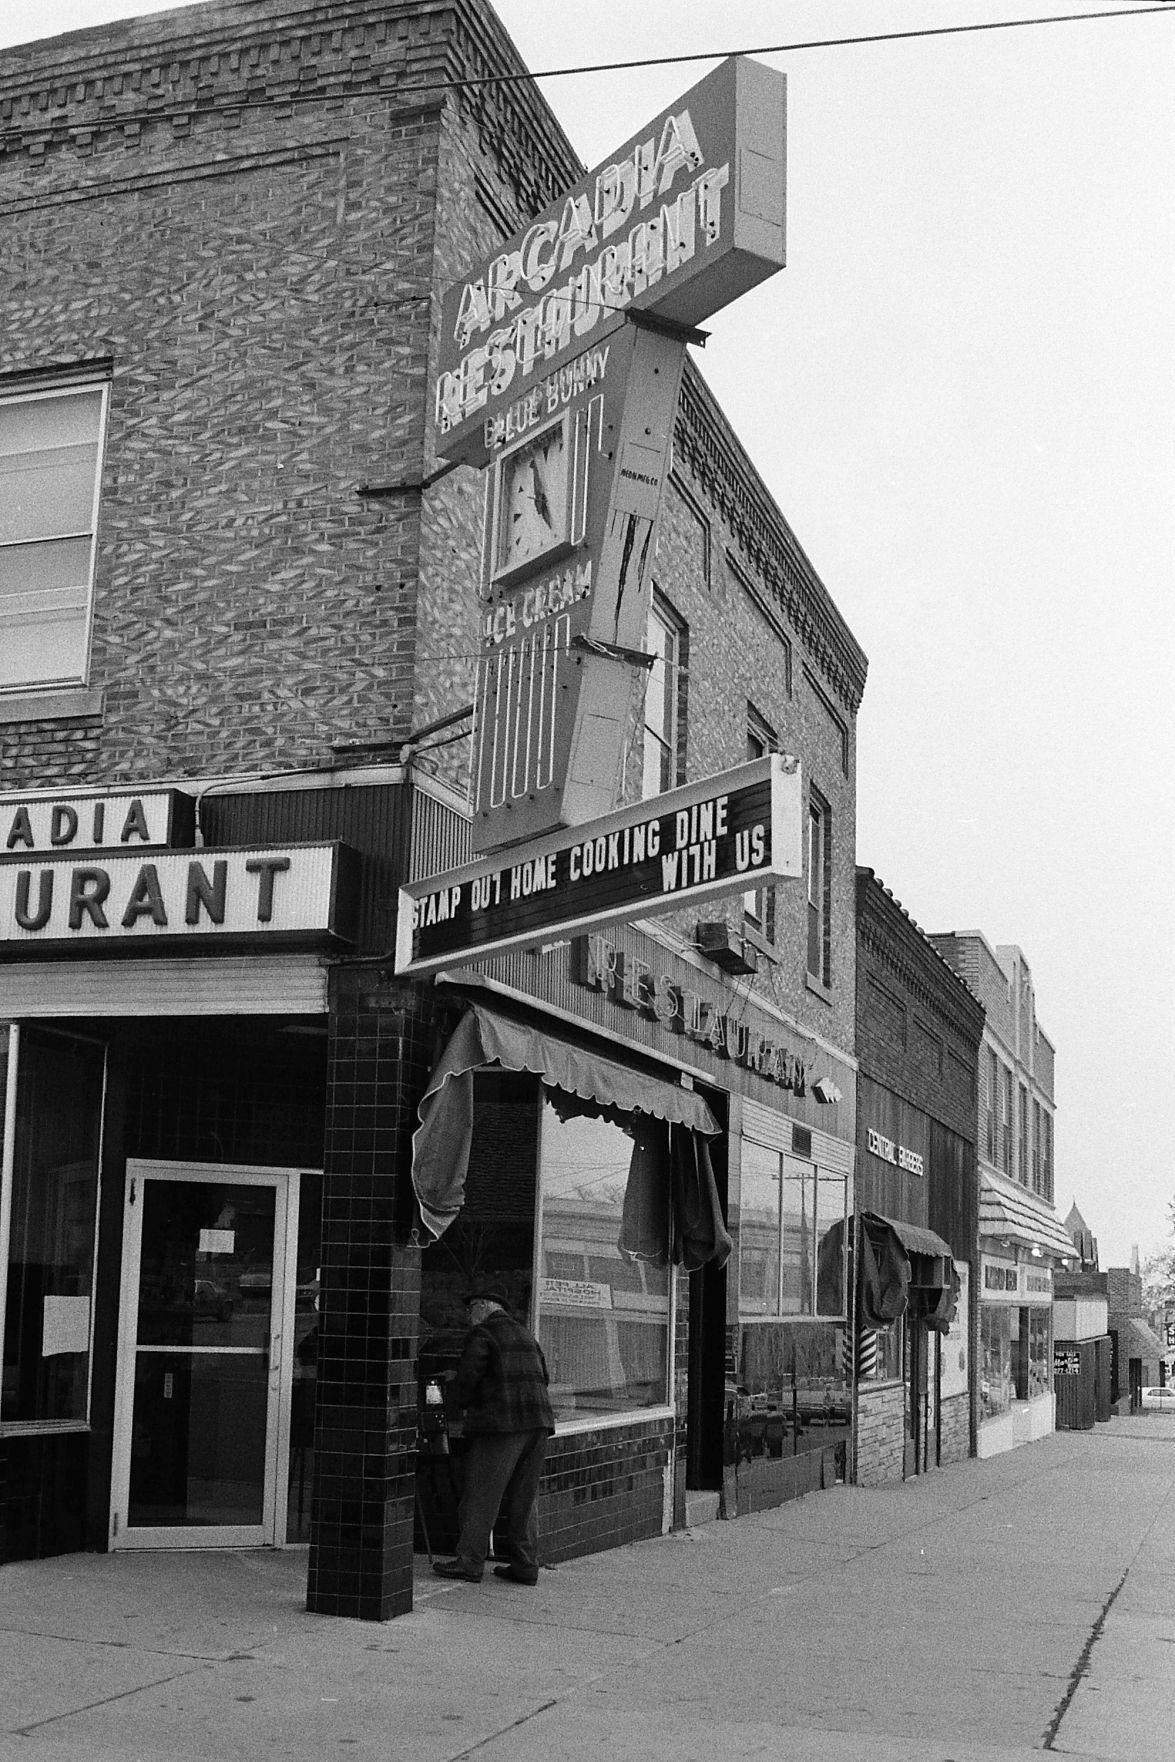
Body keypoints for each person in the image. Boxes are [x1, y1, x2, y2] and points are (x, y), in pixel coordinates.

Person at [432, 1285, 554, 1586]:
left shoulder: (483, 1334)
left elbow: (470, 1377)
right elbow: (544, 1376)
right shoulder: (526, 1334)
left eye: (471, 1307)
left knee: (482, 1494)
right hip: (538, 1424)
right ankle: (525, 1564)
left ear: (485, 1307)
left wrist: (453, 1399)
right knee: (524, 1498)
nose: (467, 1315)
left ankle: (470, 1562)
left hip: (502, 1426)